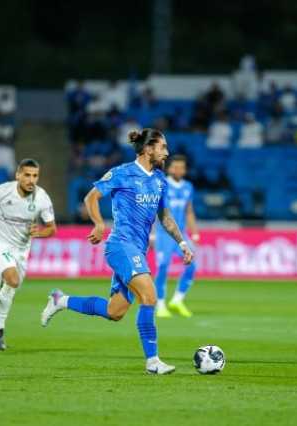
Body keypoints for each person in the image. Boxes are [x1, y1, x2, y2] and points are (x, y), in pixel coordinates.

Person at [40, 128, 193, 375]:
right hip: (121, 245)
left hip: (138, 251)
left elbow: (164, 216)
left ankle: (61, 300)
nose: (167, 152)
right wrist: (99, 224)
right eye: (162, 147)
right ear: (148, 149)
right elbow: (91, 198)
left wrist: (182, 243)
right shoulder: (123, 173)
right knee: (150, 297)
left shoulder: (159, 180)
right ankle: (153, 361)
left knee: (115, 312)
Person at [0, 159, 56, 353]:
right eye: (27, 175)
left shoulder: (41, 198)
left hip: (22, 250)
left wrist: (39, 232)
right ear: (18, 175)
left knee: (9, 289)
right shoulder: (1, 191)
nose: (31, 180)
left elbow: (52, 229)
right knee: (13, 280)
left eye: (35, 176)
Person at [153, 155, 199, 318]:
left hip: (182, 235)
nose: (179, 170)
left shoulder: (188, 186)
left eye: (182, 167)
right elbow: (153, 210)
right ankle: (160, 305)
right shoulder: (161, 184)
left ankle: (178, 299)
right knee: (163, 267)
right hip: (163, 234)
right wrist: (151, 233)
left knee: (192, 265)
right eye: (175, 167)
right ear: (169, 168)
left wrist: (194, 232)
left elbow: (189, 210)